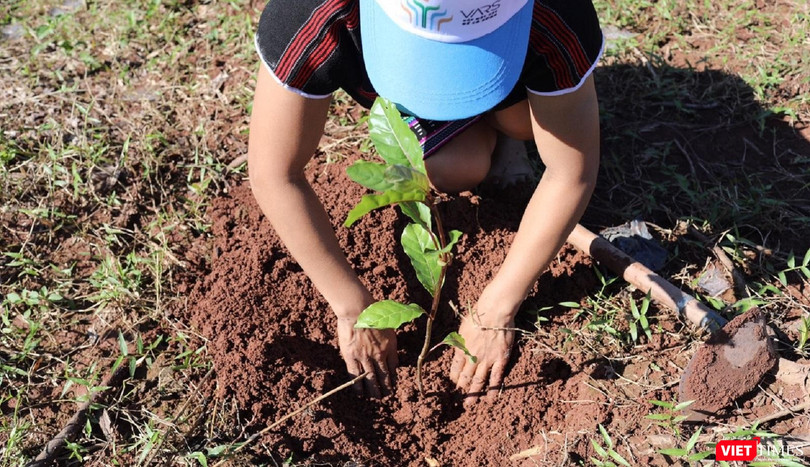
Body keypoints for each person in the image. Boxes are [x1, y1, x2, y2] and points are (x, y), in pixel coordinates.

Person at [247, 0, 603, 404]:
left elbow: (571, 173)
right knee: (452, 169)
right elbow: (273, 172)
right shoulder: (313, 13)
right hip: (417, 85)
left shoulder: (558, 16)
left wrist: (499, 305)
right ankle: (449, 126)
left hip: (511, 73)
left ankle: (507, 126)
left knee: (523, 125)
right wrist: (351, 307)